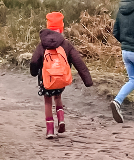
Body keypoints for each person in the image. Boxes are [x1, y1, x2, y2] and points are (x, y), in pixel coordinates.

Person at [30, 11, 93, 139]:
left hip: (46, 79)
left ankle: (50, 130)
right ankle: (61, 119)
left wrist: (33, 72)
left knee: (48, 102)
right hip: (61, 78)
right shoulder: (66, 44)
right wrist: (87, 80)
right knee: (57, 98)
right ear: (61, 28)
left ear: (48, 27)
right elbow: (78, 62)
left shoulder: (42, 45)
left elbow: (34, 61)